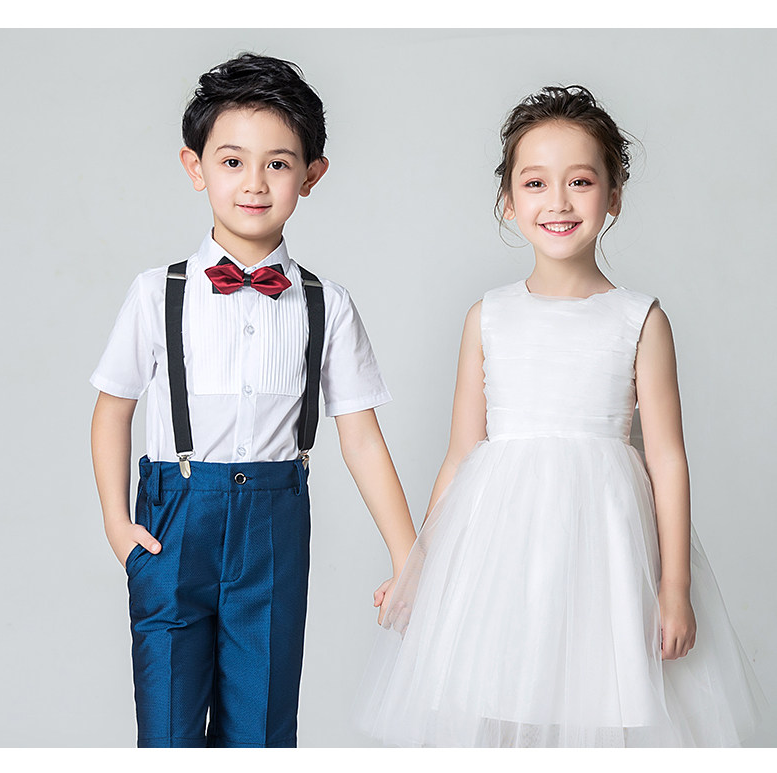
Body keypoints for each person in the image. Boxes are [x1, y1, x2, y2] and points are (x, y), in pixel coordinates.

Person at [355, 85, 766, 747]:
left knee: (599, 702)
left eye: (581, 181)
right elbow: (462, 453)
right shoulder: (487, 316)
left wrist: (675, 586)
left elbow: (666, 458)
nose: (559, 202)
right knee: (500, 697)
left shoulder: (640, 318)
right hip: (501, 549)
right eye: (535, 183)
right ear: (508, 200)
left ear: (614, 194)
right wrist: (420, 563)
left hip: (606, 550)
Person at [90, 52, 416, 748]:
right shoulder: (156, 293)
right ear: (195, 167)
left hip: (274, 523)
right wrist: (118, 524)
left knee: (262, 728)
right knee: (168, 729)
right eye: (233, 161)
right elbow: (112, 409)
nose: (255, 183)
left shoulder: (327, 304)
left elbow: (361, 437)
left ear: (312, 175)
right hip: (174, 517)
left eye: (279, 163)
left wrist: (408, 556)